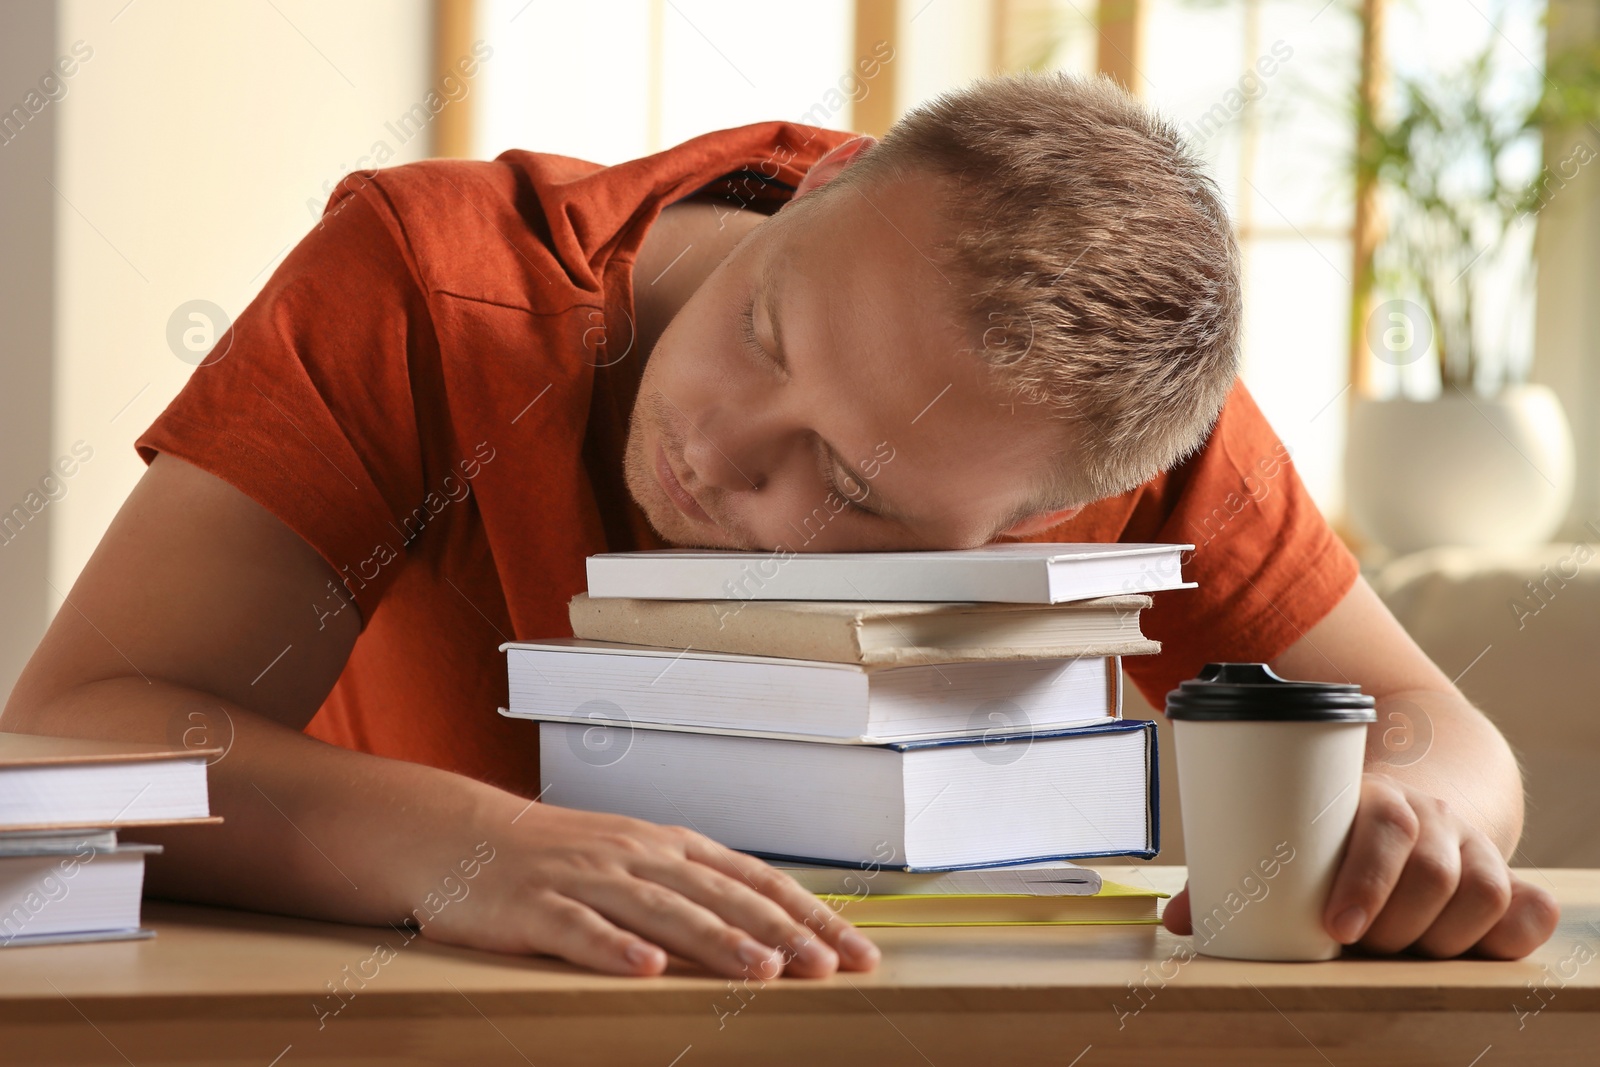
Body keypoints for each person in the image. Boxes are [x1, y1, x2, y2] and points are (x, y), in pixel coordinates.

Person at [0, 72, 1557, 979]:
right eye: (765, 326)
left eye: (855, 488)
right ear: (819, 196)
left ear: (1052, 517)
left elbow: (1445, 733)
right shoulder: (426, 286)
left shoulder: (1101, 415)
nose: (722, 454)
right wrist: (474, 849)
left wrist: (1410, 823)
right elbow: (70, 730)